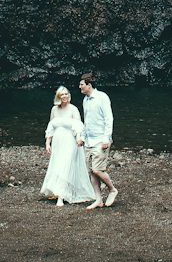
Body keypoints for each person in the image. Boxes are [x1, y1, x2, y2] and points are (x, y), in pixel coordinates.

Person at [40, 86, 95, 206]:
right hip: (58, 141)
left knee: (67, 164)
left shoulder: (73, 109)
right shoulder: (54, 109)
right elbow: (51, 126)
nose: (65, 96)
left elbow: (79, 127)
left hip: (70, 141)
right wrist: (48, 142)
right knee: (58, 165)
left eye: (66, 94)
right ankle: (58, 191)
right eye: (62, 94)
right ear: (58, 96)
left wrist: (79, 139)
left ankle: (61, 196)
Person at [78, 72, 117, 208]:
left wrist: (107, 138)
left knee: (97, 169)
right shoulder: (86, 100)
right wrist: (82, 137)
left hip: (101, 140)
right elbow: (86, 121)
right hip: (89, 141)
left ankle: (112, 189)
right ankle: (98, 199)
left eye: (82, 84)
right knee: (92, 172)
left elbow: (109, 118)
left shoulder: (102, 97)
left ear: (89, 85)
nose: (80, 87)